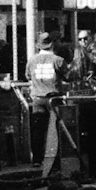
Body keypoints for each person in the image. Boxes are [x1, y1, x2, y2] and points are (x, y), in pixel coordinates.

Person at [25, 32, 65, 171]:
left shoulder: (32, 60)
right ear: (52, 44)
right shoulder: (58, 60)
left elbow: (28, 76)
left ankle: (37, 160)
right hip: (54, 97)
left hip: (37, 97)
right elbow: (68, 75)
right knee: (60, 128)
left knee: (38, 130)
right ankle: (58, 159)